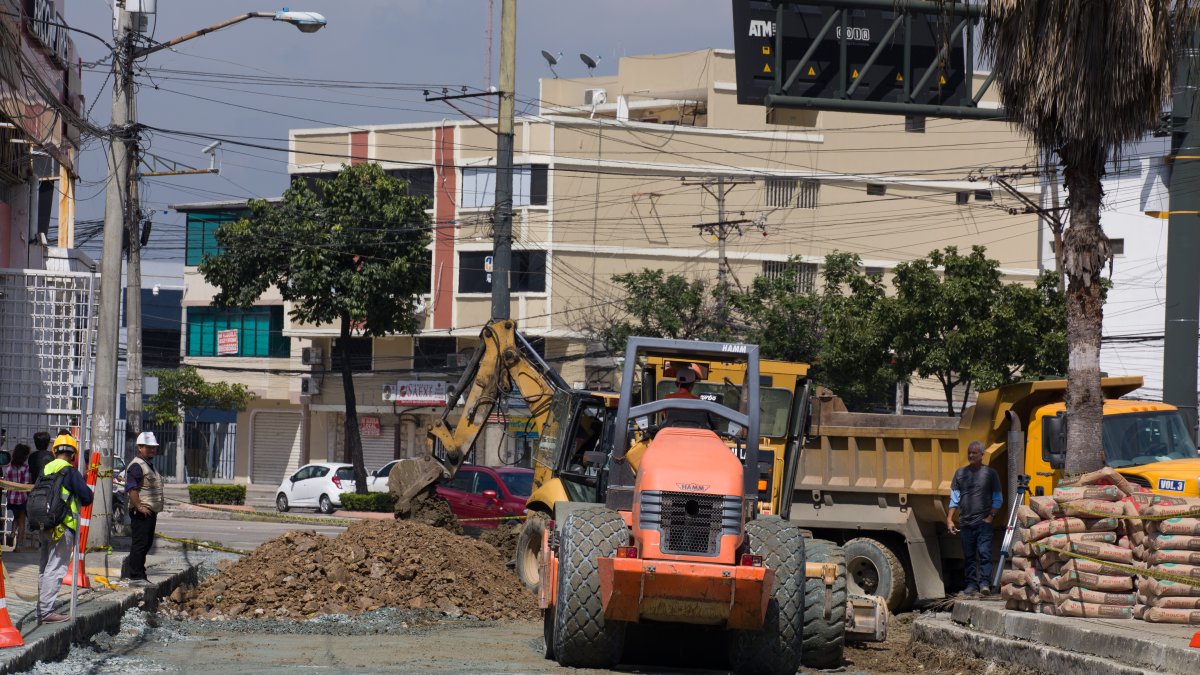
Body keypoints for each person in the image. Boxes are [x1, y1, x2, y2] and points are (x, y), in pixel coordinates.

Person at [37, 434, 93, 623]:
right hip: (63, 527)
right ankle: (47, 612)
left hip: (44, 524)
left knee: (45, 567)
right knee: (56, 568)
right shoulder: (69, 471)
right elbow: (87, 496)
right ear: (73, 455)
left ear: (55, 452)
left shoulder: (45, 469)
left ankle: (42, 608)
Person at [946, 440, 1003, 595]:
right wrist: (950, 519)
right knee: (969, 556)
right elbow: (954, 499)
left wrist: (990, 516)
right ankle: (971, 585)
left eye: (974, 453)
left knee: (984, 553)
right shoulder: (960, 473)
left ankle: (985, 584)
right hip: (965, 523)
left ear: (982, 455)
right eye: (969, 453)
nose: (971, 455)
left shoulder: (990, 474)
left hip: (984, 522)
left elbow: (998, 498)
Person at [122, 432, 164, 585]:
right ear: (140, 447)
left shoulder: (147, 464)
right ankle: (135, 576)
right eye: (149, 447)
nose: (153, 450)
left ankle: (140, 574)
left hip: (150, 511)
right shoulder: (136, 466)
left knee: (146, 543)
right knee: (140, 543)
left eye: (154, 447)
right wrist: (139, 506)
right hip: (141, 511)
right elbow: (131, 489)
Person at [663, 363, 719, 430]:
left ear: (676, 383)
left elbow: (664, 419)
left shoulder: (667, 399)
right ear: (692, 384)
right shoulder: (700, 403)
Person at [4, 443, 31, 550]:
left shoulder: (8, 468)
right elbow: (27, 483)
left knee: (16, 517)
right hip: (22, 498)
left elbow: (6, 482)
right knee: (22, 521)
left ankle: (12, 533)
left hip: (11, 498)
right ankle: (18, 545)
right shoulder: (25, 468)